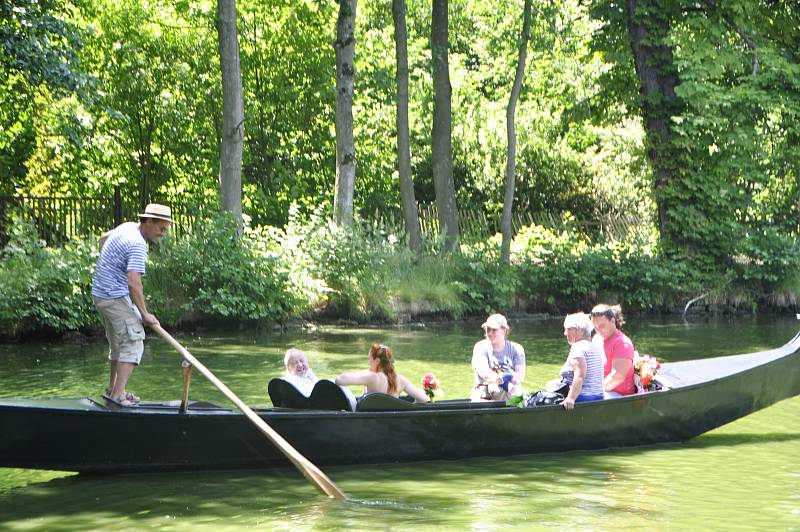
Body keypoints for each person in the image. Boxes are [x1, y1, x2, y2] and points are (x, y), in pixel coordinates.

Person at [92, 203, 172, 406]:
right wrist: (145, 315)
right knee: (134, 340)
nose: (163, 233)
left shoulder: (126, 227)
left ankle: (113, 390)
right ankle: (118, 395)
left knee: (119, 343)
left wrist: (110, 265)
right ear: (149, 221)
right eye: (161, 228)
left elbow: (102, 240)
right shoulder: (138, 244)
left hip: (100, 294)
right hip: (114, 296)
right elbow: (133, 283)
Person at [335, 343, 429, 403]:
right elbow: (424, 399)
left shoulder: (371, 377)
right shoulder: (401, 380)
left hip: (370, 424)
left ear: (377, 361)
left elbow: (339, 380)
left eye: (369, 359)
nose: (368, 362)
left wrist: (365, 371)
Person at [471, 313, 526, 401]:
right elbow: (484, 372)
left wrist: (508, 378)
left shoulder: (517, 349)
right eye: (488, 329)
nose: (490, 333)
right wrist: (502, 381)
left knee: (521, 395)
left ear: (505, 331)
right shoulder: (480, 347)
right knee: (499, 389)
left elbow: (520, 375)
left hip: (511, 390)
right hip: (485, 392)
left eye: (494, 330)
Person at [559, 312, 605, 409]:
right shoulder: (593, 346)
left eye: (569, 329)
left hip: (582, 398)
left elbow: (580, 375)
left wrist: (571, 398)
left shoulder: (578, 347)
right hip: (598, 396)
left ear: (581, 330)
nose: (565, 333)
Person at [591, 303, 636, 397]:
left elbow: (617, 378)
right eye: (595, 327)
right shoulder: (596, 338)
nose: (598, 330)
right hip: (600, 387)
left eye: (602, 326)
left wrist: (592, 390)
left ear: (612, 321)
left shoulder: (623, 344)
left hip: (619, 395)